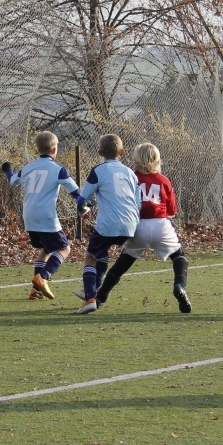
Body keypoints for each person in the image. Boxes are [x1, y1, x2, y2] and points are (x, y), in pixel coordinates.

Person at [92, 142, 192, 313]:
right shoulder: (164, 180)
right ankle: (179, 285)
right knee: (178, 256)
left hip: (138, 225)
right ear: (157, 160)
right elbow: (172, 210)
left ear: (136, 159)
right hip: (160, 224)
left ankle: (100, 297)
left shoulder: (130, 177)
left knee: (123, 263)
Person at [1, 131, 83, 300]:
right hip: (46, 216)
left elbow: (12, 181)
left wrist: (7, 169)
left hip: (29, 216)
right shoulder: (58, 169)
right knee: (64, 248)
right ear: (54, 150)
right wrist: (87, 206)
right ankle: (43, 277)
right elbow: (75, 192)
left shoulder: (28, 167)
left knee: (46, 249)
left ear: (37, 149)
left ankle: (35, 290)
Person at [74, 134, 141, 315]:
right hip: (131, 224)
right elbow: (138, 201)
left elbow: (82, 199)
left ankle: (90, 298)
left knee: (90, 257)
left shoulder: (98, 170)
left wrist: (83, 210)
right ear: (122, 152)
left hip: (109, 224)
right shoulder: (130, 173)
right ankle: (94, 290)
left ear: (100, 152)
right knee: (101, 253)